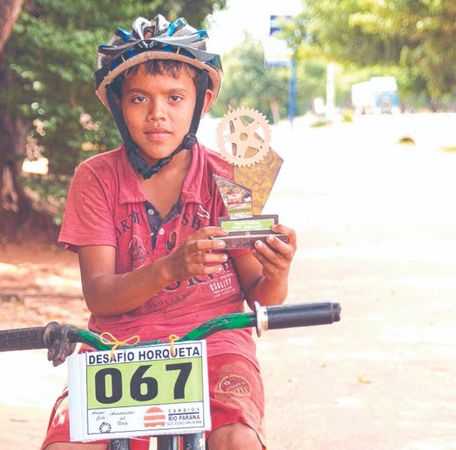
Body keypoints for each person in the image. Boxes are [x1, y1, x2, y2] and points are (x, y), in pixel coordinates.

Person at [42, 14, 296, 450]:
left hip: (215, 345)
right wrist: (171, 267)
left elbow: (260, 297)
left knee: (238, 441)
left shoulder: (229, 178)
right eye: (139, 98)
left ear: (203, 101)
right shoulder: (95, 178)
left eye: (175, 97)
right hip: (115, 350)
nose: (157, 114)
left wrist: (277, 272)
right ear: (117, 105)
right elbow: (99, 295)